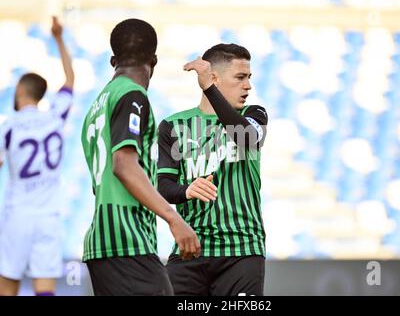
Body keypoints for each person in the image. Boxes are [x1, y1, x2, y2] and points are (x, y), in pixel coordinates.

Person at [80, 18, 200, 296]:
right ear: (154, 61)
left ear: (113, 61)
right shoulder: (132, 95)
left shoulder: (97, 105)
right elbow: (123, 164)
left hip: (103, 239)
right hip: (127, 239)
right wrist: (174, 218)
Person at [157, 43, 268, 295]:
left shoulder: (255, 114)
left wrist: (208, 89)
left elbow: (247, 137)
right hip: (191, 251)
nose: (248, 86)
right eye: (240, 77)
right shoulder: (174, 125)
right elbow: (163, 186)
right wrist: (187, 190)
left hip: (242, 251)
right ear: (214, 78)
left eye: (249, 77)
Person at [0, 16, 74, 296]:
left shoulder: (8, 126)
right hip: (49, 215)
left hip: (17, 213)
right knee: (45, 288)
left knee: (8, 284)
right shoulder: (55, 116)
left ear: (20, 90)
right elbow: (70, 79)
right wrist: (59, 38)